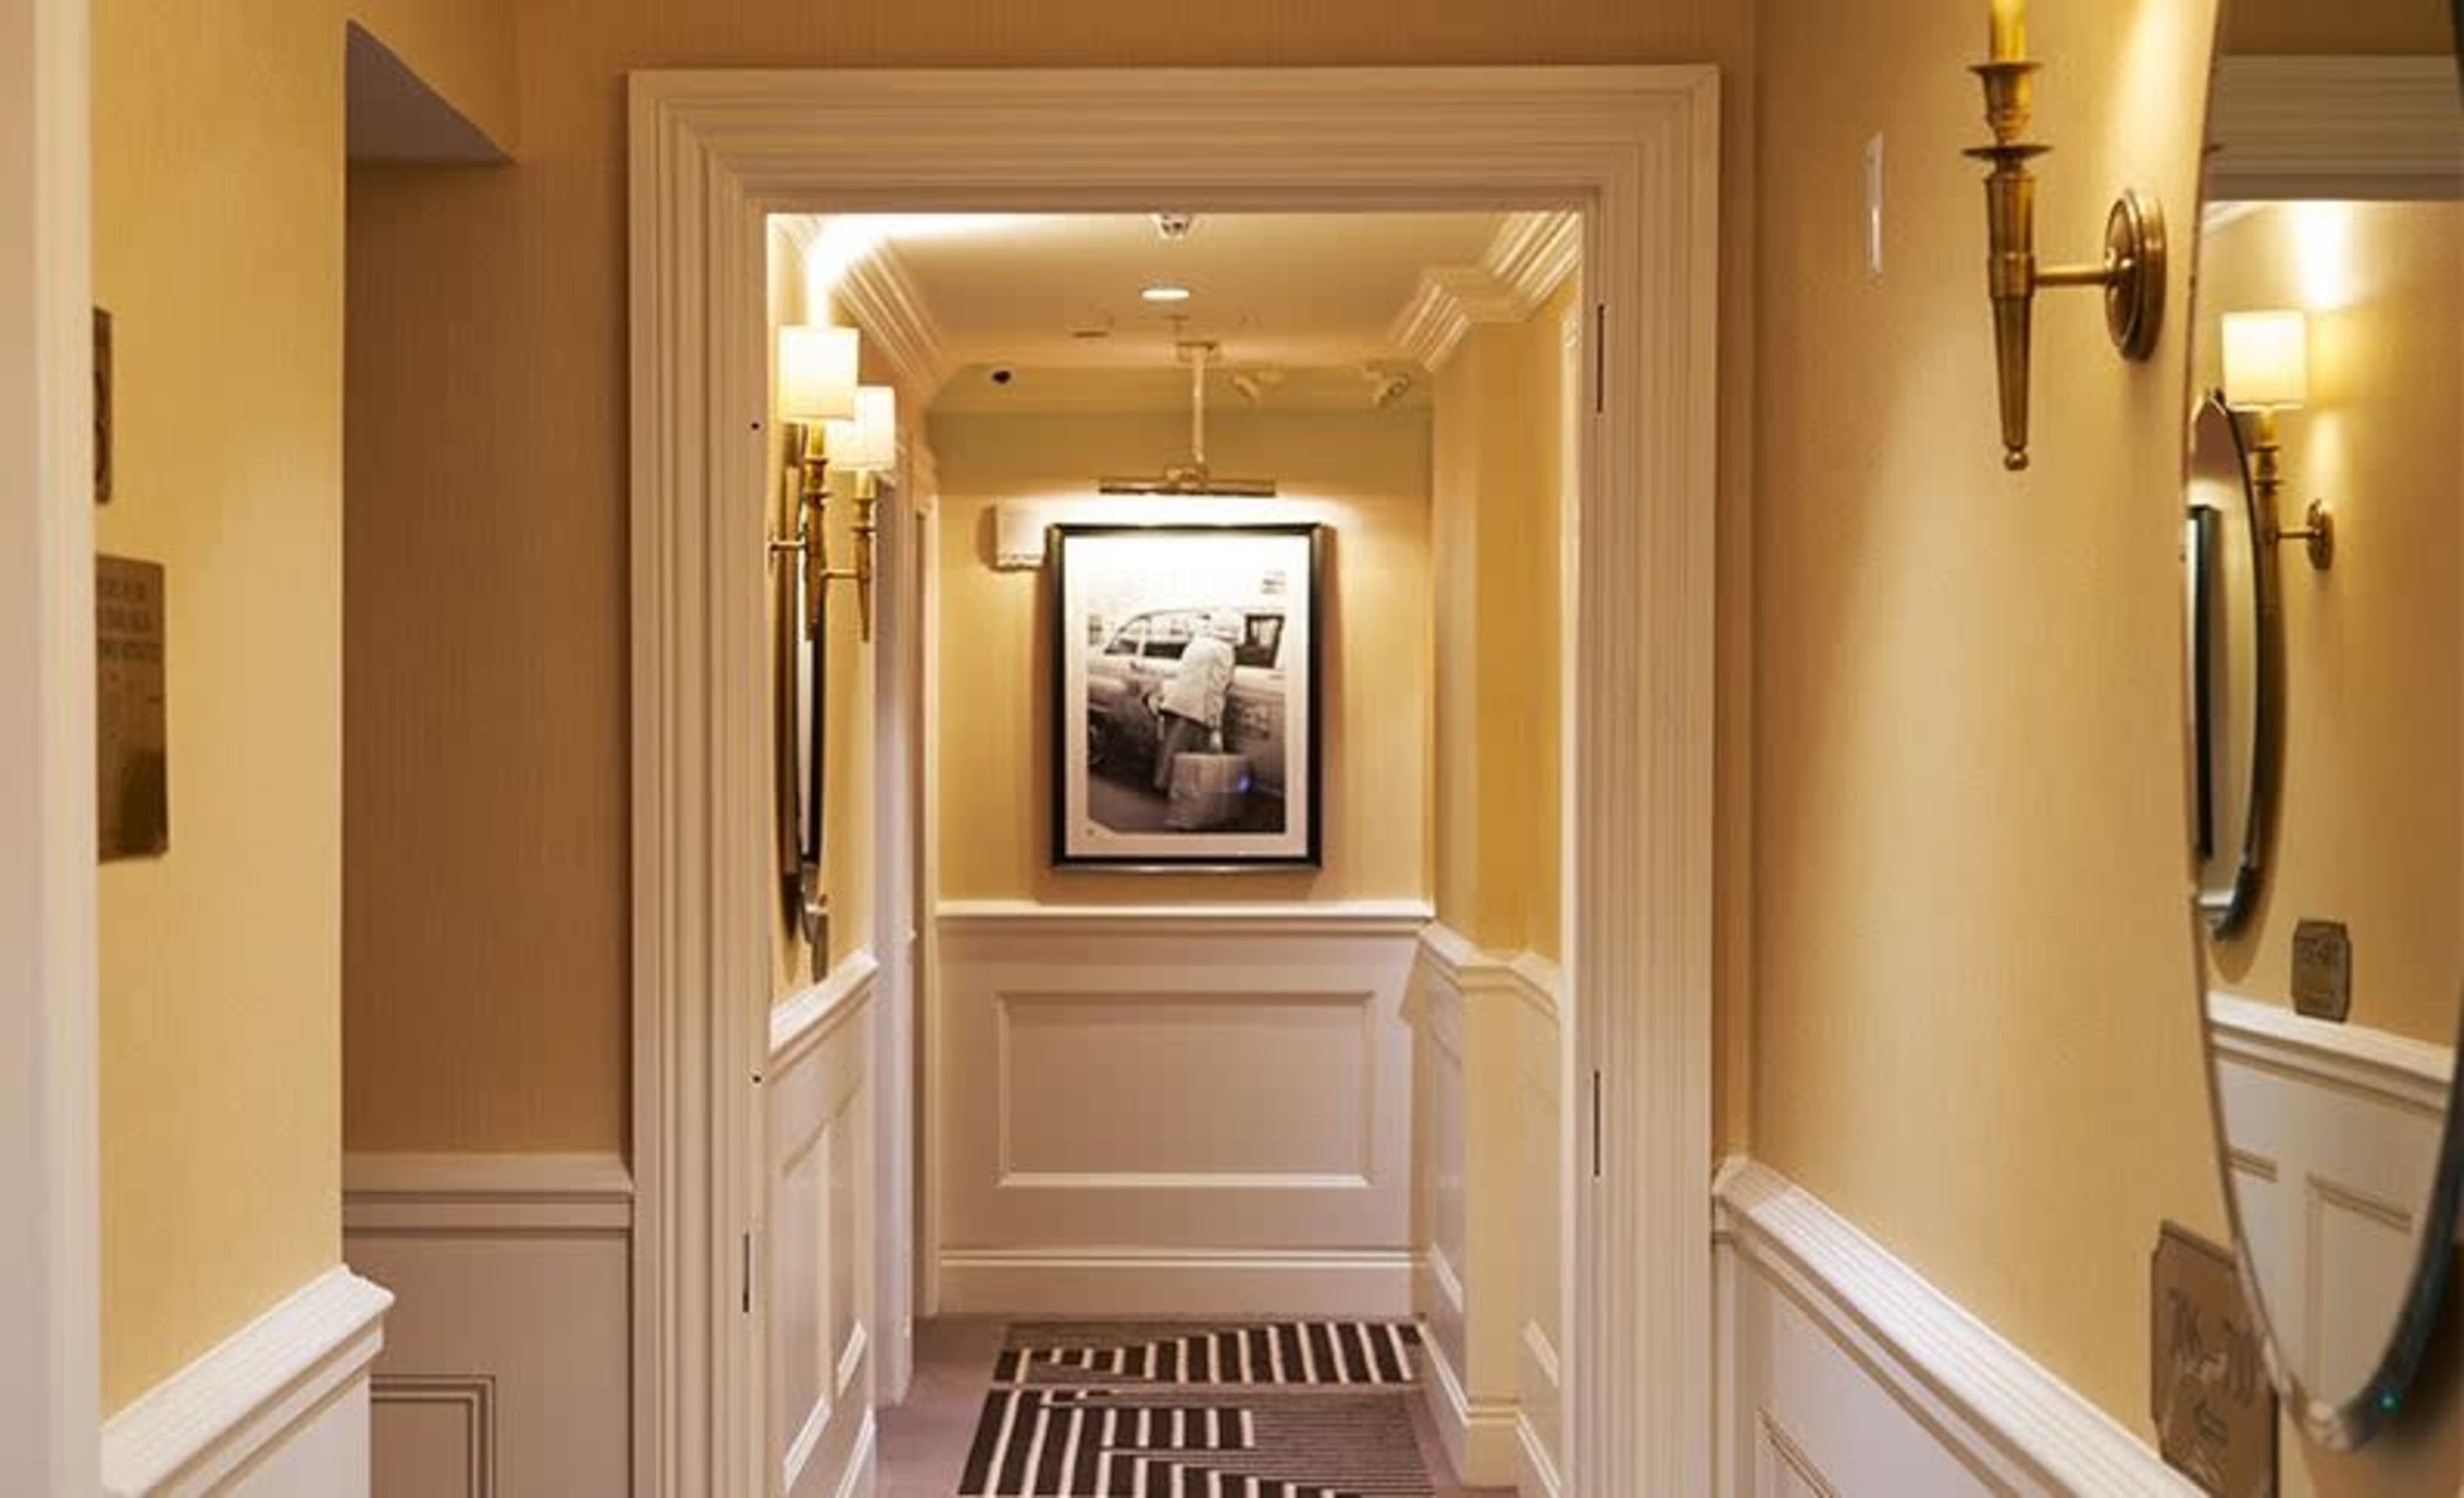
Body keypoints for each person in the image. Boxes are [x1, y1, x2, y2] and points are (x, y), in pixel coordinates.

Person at [1150, 609, 1242, 793]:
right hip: (1196, 710)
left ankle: (1168, 791)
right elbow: (1216, 688)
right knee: (1194, 761)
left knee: (1171, 753)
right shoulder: (1224, 650)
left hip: (1175, 702)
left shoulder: (1197, 643)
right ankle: (1190, 800)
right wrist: (1215, 723)